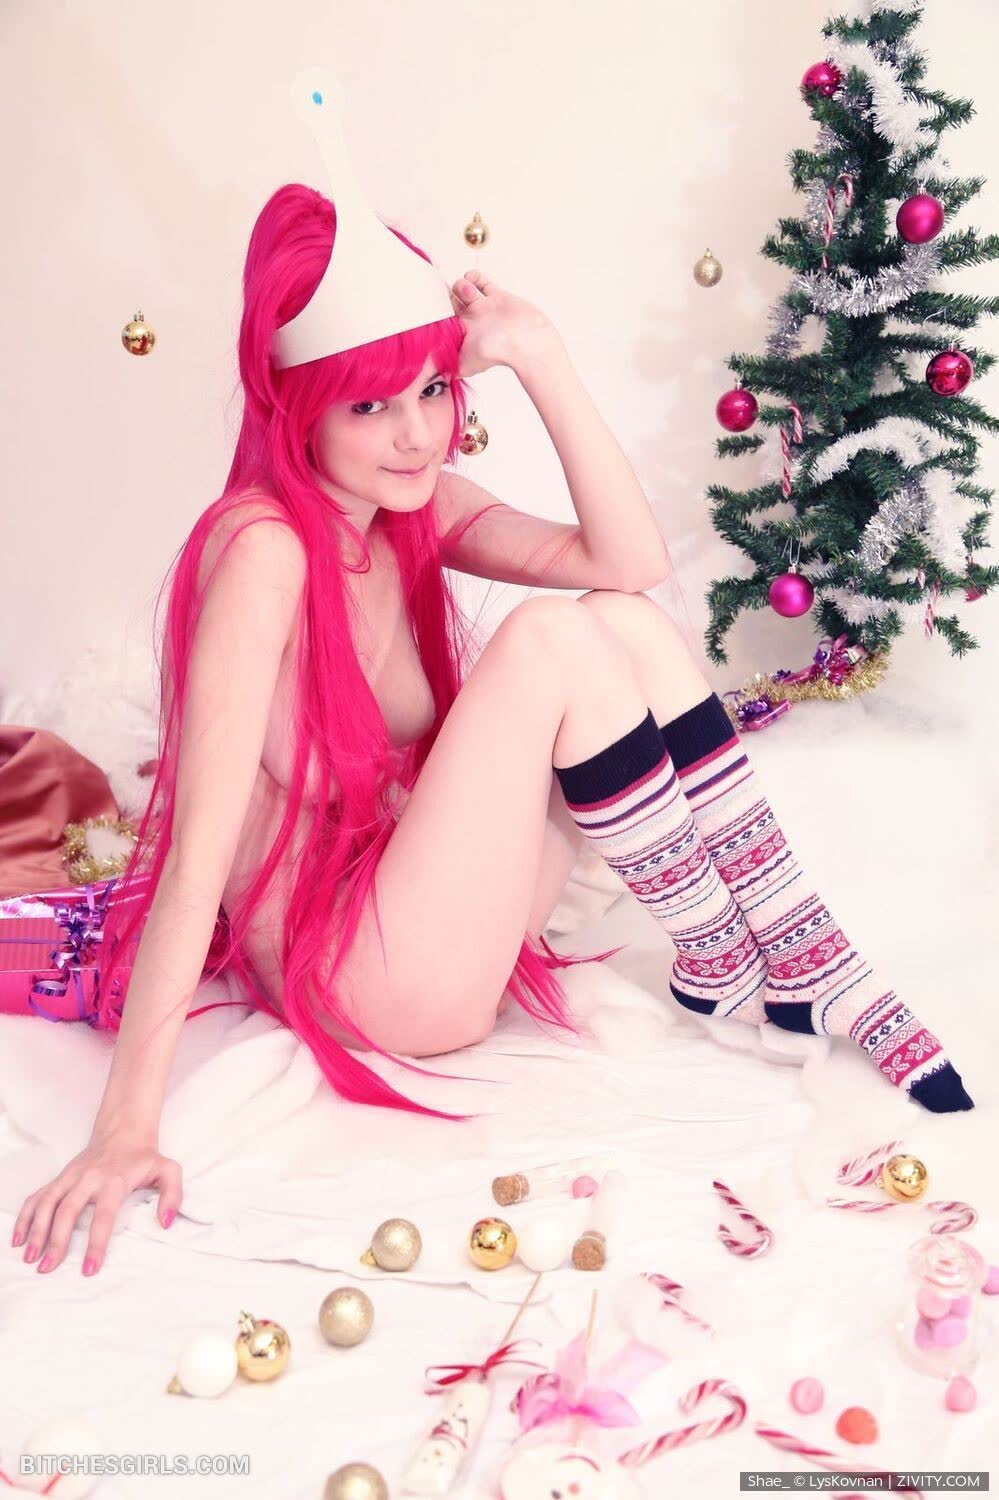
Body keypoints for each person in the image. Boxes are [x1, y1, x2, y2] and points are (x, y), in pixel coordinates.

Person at [11, 101, 973, 1280]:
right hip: (360, 972)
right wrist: (125, 1127)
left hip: (427, 912)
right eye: (370, 404)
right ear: (295, 403)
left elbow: (629, 563)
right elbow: (199, 849)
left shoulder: (410, 510)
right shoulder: (263, 550)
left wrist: (540, 357)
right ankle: (755, 957)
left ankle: (756, 954)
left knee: (615, 620)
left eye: (430, 389)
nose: (417, 435)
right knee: (547, 642)